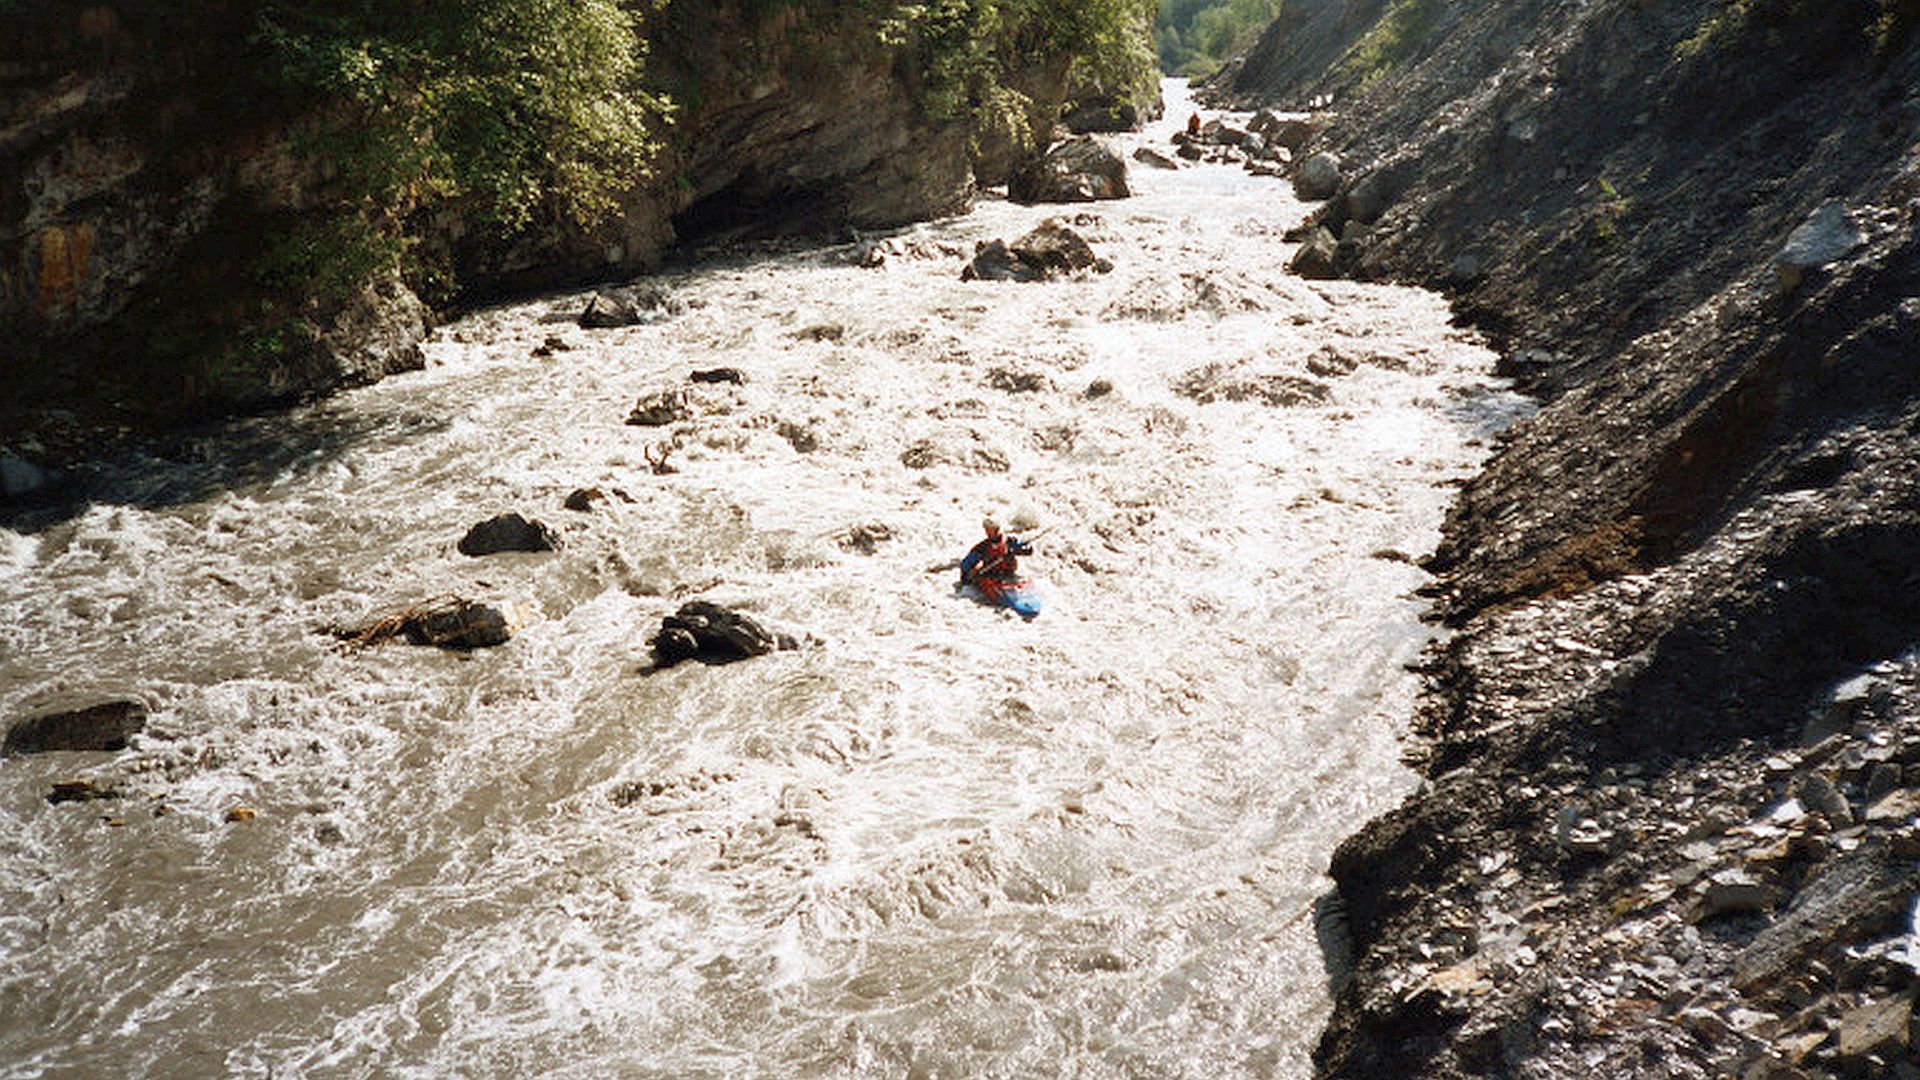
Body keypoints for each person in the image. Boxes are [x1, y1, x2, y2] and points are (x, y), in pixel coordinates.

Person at [959, 517, 1031, 588]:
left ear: (997, 529)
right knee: (977, 568)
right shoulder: (982, 547)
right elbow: (965, 565)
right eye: (986, 529)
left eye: (989, 529)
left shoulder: (1010, 541)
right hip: (991, 575)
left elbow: (1029, 549)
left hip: (1008, 574)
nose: (987, 532)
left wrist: (1017, 550)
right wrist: (968, 574)